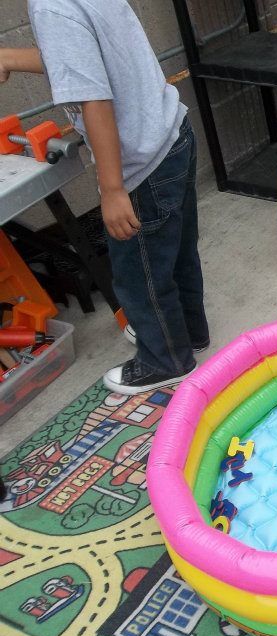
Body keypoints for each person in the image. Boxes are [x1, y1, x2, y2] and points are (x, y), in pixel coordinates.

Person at [0, 0, 209, 395]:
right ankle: (189, 333)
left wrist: (112, 189)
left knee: (138, 274)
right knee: (177, 254)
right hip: (171, 133)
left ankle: (166, 359)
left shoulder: (49, 7)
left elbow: (95, 99)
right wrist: (11, 57)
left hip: (140, 166)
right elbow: (79, 56)